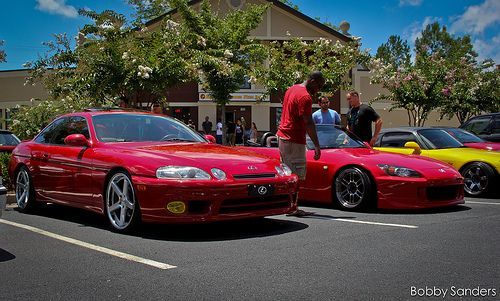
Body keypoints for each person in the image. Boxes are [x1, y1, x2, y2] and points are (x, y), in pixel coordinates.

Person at [277, 71, 324, 217]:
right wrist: (317, 145)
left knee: (288, 174)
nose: (318, 90)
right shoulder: (305, 97)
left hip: (283, 137)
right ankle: (292, 208)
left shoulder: (291, 89)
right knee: (296, 176)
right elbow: (308, 122)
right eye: (318, 86)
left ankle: (287, 205)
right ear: (312, 80)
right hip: (293, 139)